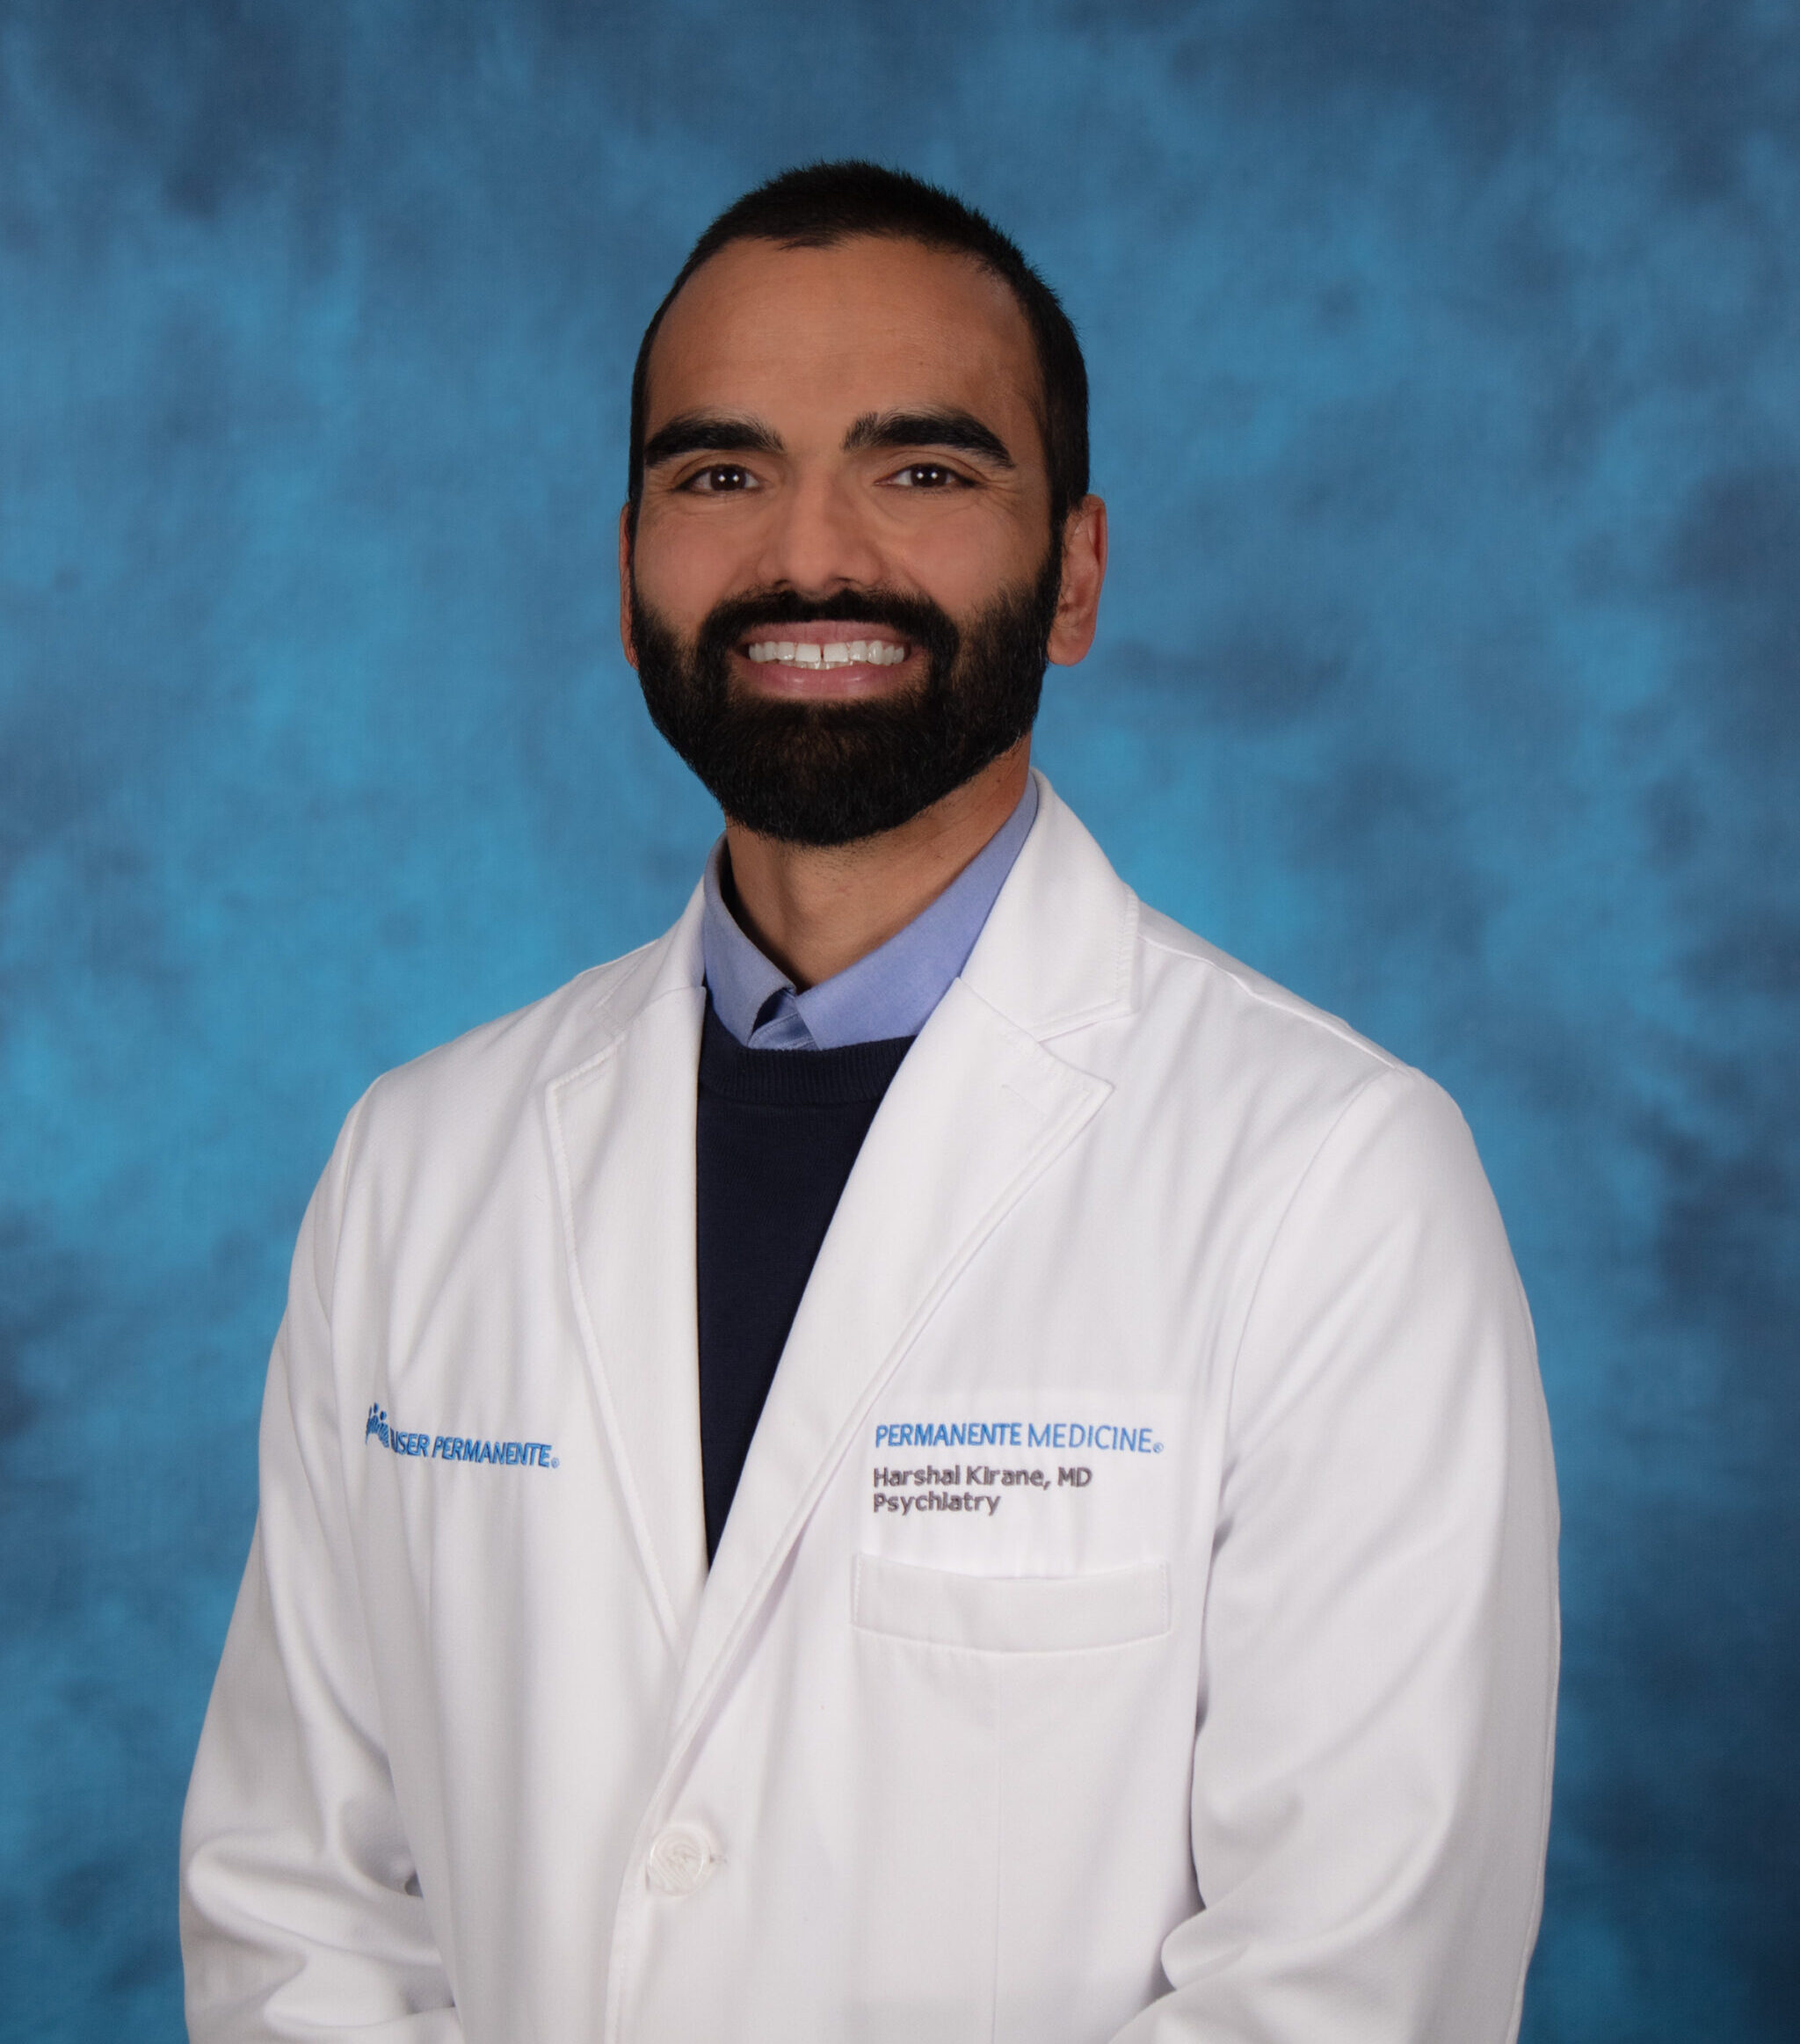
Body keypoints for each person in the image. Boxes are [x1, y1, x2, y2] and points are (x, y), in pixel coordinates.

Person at [181, 162, 1558, 2044]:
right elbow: (299, 1910)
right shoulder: (418, 1167)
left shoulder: (1334, 1183)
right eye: (720, 472)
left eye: (920, 468)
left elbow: (1346, 1987)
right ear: (627, 570)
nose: (809, 556)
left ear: (1076, 573)